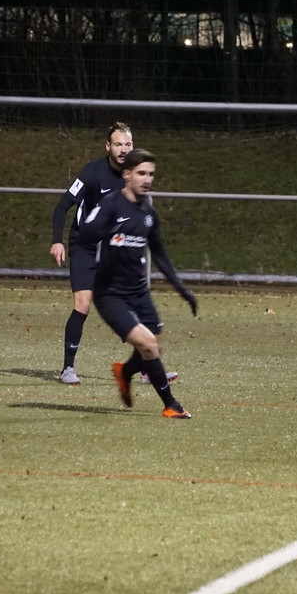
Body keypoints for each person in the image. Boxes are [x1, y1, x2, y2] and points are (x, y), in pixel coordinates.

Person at [49, 122, 176, 386]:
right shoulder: (92, 172)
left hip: (114, 250)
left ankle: (147, 370)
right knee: (83, 304)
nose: (123, 149)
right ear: (108, 146)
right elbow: (62, 206)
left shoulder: (133, 175)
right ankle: (67, 369)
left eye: (128, 144)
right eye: (118, 144)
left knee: (135, 305)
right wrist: (57, 241)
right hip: (85, 246)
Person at [78, 148, 198, 418]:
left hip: (138, 291)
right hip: (110, 294)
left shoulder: (148, 212)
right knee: (148, 346)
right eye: (141, 173)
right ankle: (171, 405)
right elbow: (85, 234)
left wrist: (182, 290)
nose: (147, 179)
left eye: (151, 174)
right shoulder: (111, 205)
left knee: (153, 346)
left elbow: (160, 254)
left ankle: (124, 372)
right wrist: (104, 230)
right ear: (127, 174)